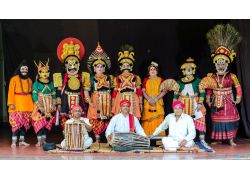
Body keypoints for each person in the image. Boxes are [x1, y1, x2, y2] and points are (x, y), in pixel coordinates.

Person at [199, 24, 242, 146]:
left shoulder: (232, 76)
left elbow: (238, 88)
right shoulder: (212, 76)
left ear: (227, 63)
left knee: (229, 120)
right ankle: (218, 138)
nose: (221, 65)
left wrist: (237, 98)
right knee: (216, 121)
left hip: (228, 100)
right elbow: (209, 88)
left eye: (223, 62)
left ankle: (230, 139)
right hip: (215, 101)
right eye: (218, 62)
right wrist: (208, 98)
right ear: (215, 63)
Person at [53, 37, 90, 128]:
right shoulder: (59, 76)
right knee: (65, 120)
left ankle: (79, 136)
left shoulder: (84, 76)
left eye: (75, 64)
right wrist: (58, 103)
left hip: (79, 99)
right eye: (69, 64)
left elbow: (86, 92)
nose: (72, 67)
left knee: (80, 119)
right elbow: (58, 91)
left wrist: (89, 101)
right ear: (65, 65)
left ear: (78, 64)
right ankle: (67, 136)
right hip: (65, 100)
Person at [173, 57, 208, 147]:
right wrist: (174, 105)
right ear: (183, 71)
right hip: (182, 104)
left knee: (200, 119)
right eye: (186, 69)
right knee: (182, 122)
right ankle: (182, 140)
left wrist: (200, 103)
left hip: (195, 102)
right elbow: (175, 95)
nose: (188, 70)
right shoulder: (179, 82)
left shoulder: (198, 81)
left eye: (190, 69)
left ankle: (202, 140)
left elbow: (202, 92)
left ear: (193, 70)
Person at [85, 42, 113, 143]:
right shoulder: (91, 78)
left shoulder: (109, 77)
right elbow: (86, 91)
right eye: (98, 67)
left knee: (107, 119)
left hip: (107, 101)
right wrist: (89, 102)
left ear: (104, 68)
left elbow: (113, 91)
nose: (100, 68)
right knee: (96, 119)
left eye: (101, 66)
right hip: (95, 101)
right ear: (94, 68)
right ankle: (97, 139)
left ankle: (108, 138)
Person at [112, 44, 143, 119]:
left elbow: (139, 91)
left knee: (133, 118)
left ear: (131, 66)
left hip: (133, 98)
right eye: (124, 65)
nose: (126, 66)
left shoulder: (136, 77)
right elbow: (115, 92)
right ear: (121, 67)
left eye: (128, 65)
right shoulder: (117, 78)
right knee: (120, 118)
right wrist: (113, 104)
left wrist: (140, 103)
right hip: (121, 97)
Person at [7, 60, 34, 147]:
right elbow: (10, 92)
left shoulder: (30, 80)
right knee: (15, 124)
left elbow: (32, 93)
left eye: (26, 69)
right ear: (19, 69)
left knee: (24, 125)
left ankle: (22, 141)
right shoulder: (14, 79)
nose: (24, 70)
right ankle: (14, 142)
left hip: (27, 105)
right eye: (23, 69)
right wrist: (10, 103)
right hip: (16, 105)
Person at [31, 59, 57, 146]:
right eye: (42, 72)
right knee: (39, 122)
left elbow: (53, 94)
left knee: (47, 123)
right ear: (39, 73)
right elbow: (34, 95)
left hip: (49, 105)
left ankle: (44, 140)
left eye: (46, 72)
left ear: (49, 73)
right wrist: (39, 106)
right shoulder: (36, 83)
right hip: (40, 104)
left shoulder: (51, 83)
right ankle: (39, 141)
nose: (45, 74)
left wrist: (53, 104)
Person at [141, 61, 167, 136]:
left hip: (158, 102)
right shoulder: (146, 80)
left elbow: (164, 91)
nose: (152, 71)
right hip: (147, 102)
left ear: (157, 71)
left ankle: (159, 139)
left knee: (158, 119)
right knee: (148, 120)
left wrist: (156, 99)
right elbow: (143, 91)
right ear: (148, 72)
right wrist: (149, 99)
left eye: (154, 69)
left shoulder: (161, 79)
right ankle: (147, 140)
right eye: (151, 69)